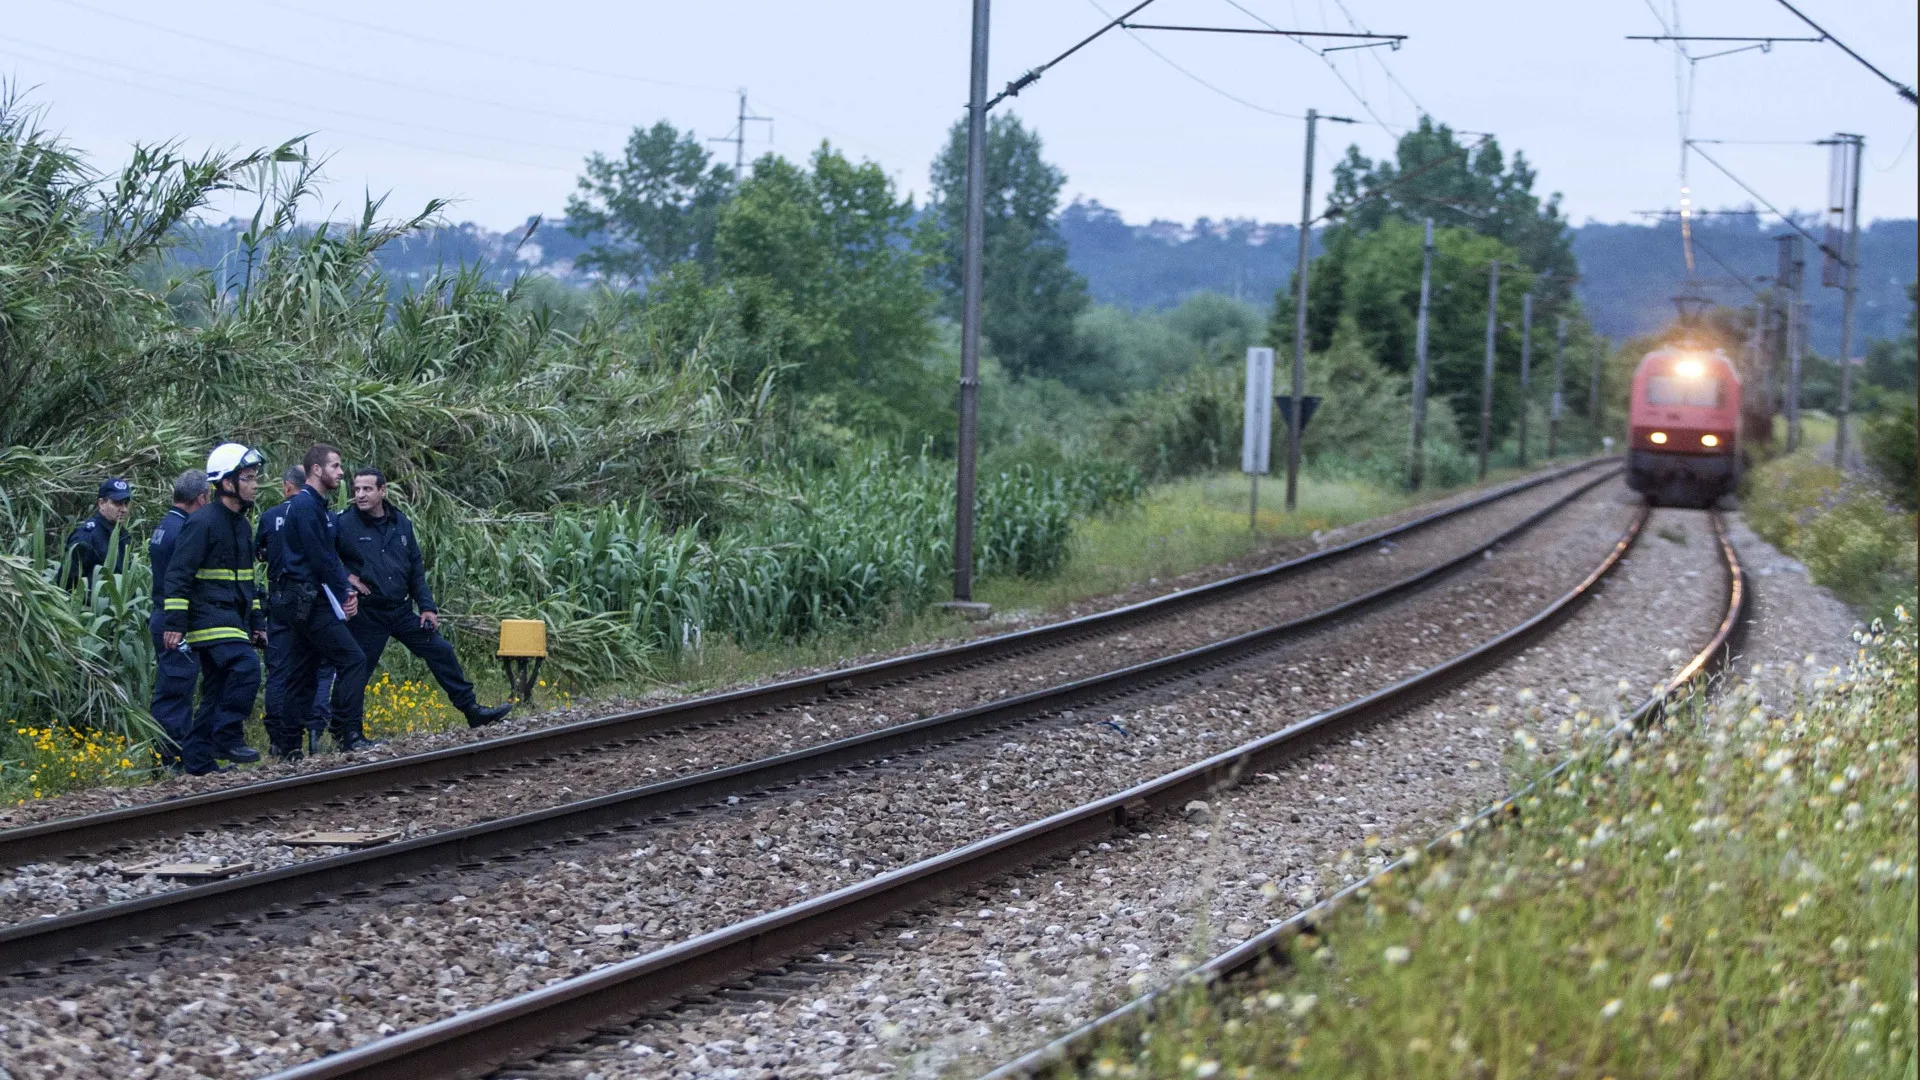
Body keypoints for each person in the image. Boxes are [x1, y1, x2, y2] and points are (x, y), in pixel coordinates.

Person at [334, 467, 511, 731]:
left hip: (401, 610)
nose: (360, 495)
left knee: (441, 650)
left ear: (382, 490)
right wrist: (347, 577)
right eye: (357, 489)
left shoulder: (401, 523)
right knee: (357, 668)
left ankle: (471, 709)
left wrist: (427, 607)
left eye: (367, 489)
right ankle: (344, 731)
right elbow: (322, 555)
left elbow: (415, 568)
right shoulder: (343, 523)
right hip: (367, 613)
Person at [160, 445, 267, 774]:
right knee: (247, 667)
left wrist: (258, 621)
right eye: (248, 478)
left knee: (217, 689)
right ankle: (227, 736)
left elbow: (248, 581)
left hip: (232, 618)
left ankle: (198, 761)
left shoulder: (242, 525)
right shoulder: (203, 522)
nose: (255, 484)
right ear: (227, 483)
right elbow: (178, 574)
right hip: (207, 618)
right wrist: (175, 622)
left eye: (254, 478)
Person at [272, 444, 370, 760]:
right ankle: (348, 733)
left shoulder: (316, 507)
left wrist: (345, 586)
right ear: (317, 469)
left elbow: (328, 556)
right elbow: (320, 558)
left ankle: (289, 746)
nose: (341, 473)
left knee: (303, 672)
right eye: (336, 466)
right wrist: (344, 594)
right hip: (310, 602)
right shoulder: (304, 507)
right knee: (353, 658)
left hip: (307, 601)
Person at [257, 466, 335, 756]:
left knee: (279, 669)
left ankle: (279, 739)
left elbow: (260, 552)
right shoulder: (321, 513)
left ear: (287, 485)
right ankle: (315, 729)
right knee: (318, 666)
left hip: (280, 600)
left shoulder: (269, 516)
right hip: (315, 599)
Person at [147, 470, 211, 771]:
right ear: (202, 498)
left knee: (176, 688)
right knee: (175, 690)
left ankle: (177, 756)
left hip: (164, 614)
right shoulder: (183, 530)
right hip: (175, 619)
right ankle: (167, 759)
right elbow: (180, 580)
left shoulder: (165, 525)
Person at [64, 477, 134, 589]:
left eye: (126, 504)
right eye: (117, 503)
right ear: (101, 503)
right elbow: (69, 583)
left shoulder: (123, 535)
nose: (124, 509)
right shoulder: (86, 536)